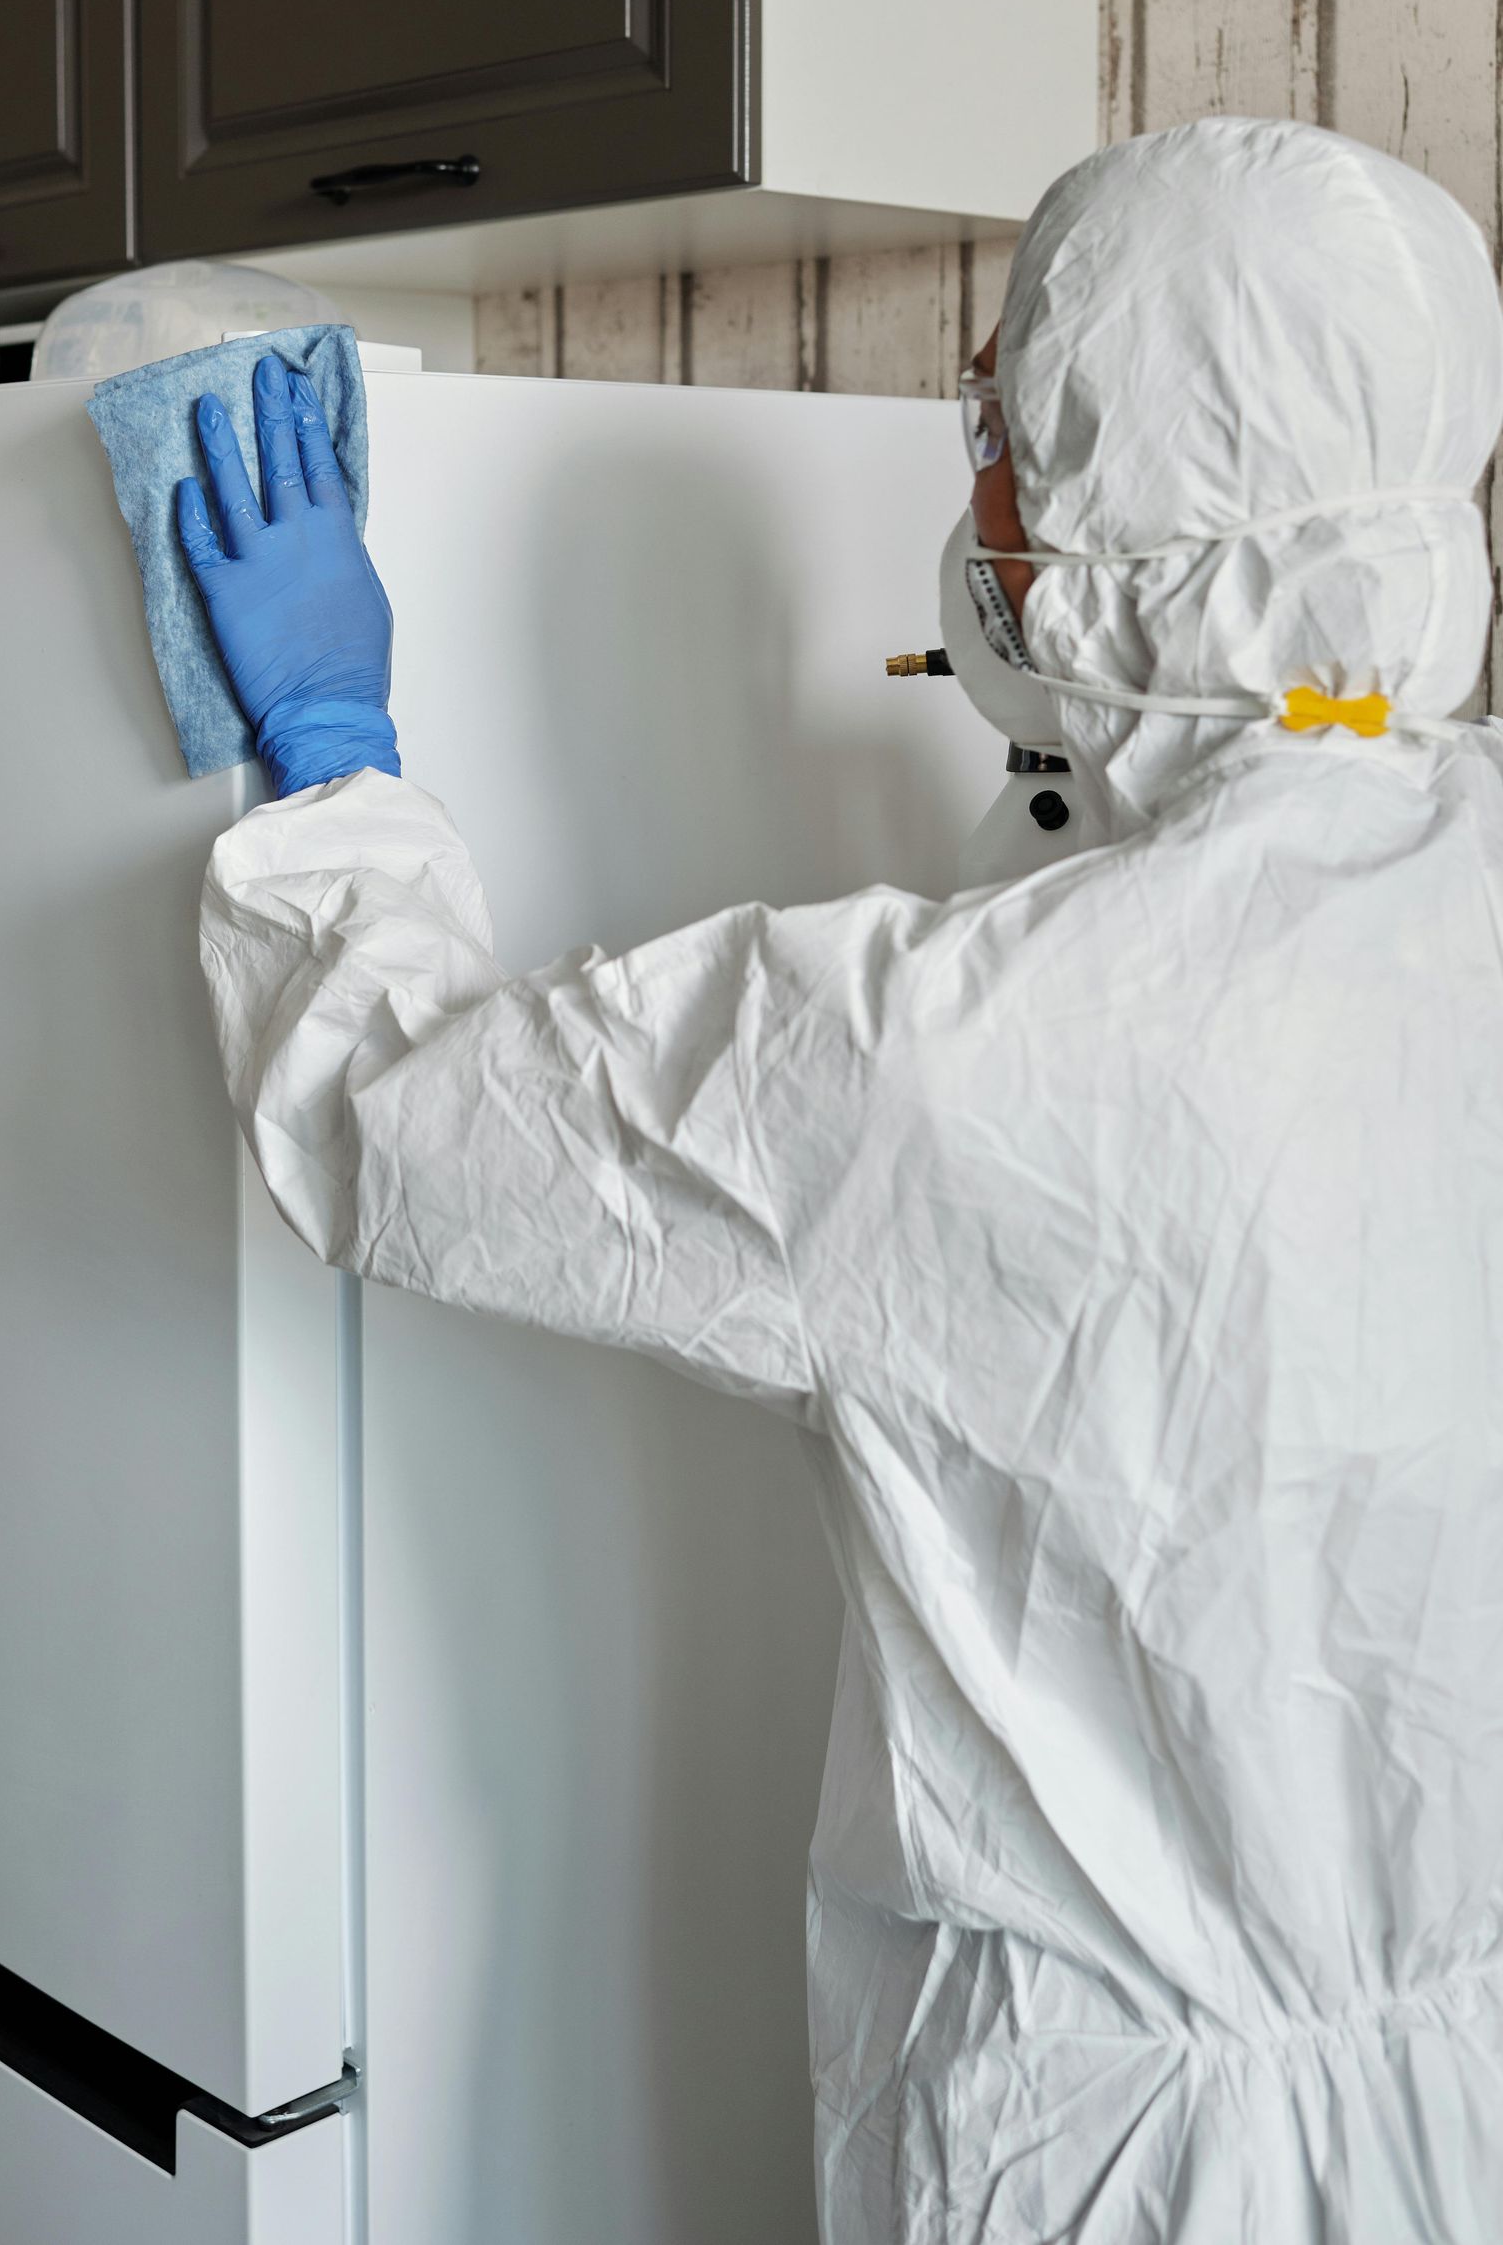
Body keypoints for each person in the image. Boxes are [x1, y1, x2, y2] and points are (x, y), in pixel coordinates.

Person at [176, 115, 1503, 2243]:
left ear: (1133, 522)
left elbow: (396, 1125)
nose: (975, 488)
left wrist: (337, 761)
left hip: (1111, 2160)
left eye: (1007, 428)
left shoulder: (944, 1050)